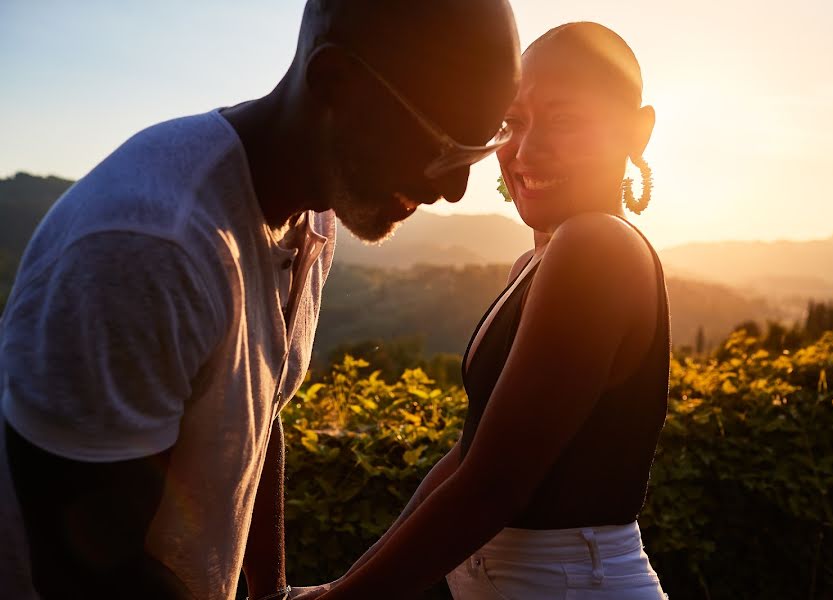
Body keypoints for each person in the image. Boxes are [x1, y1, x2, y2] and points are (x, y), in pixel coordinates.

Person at [0, 0, 520, 598]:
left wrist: (269, 590)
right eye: (443, 148)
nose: (454, 189)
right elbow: (86, 571)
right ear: (335, 84)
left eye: (477, 153)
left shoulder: (315, 219)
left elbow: (257, 410)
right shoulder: (151, 246)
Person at [297, 21, 669, 600]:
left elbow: (492, 487)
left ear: (636, 131)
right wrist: (340, 588)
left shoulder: (597, 247)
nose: (523, 149)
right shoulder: (536, 261)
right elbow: (471, 455)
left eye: (563, 119)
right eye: (513, 122)